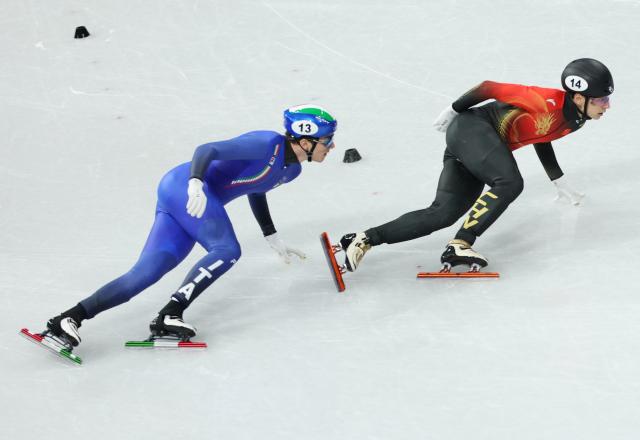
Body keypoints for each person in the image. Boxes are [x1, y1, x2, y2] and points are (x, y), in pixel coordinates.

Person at [45, 104, 338, 347]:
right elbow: (207, 149)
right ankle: (170, 314)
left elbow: (257, 188)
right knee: (227, 250)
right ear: (304, 141)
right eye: (327, 141)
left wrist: (271, 235)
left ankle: (69, 318)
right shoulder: (266, 143)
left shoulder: (293, 170)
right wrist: (196, 183)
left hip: (189, 199)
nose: (332, 146)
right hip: (185, 189)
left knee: (145, 273)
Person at [339, 58, 613, 273]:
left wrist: (558, 179)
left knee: (442, 214)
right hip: (473, 128)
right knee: (510, 183)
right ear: (579, 97)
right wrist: (454, 109)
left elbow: (542, 136)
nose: (607, 106)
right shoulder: (543, 100)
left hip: (473, 147)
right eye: (601, 99)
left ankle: (362, 239)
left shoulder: (576, 119)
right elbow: (488, 87)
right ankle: (460, 244)